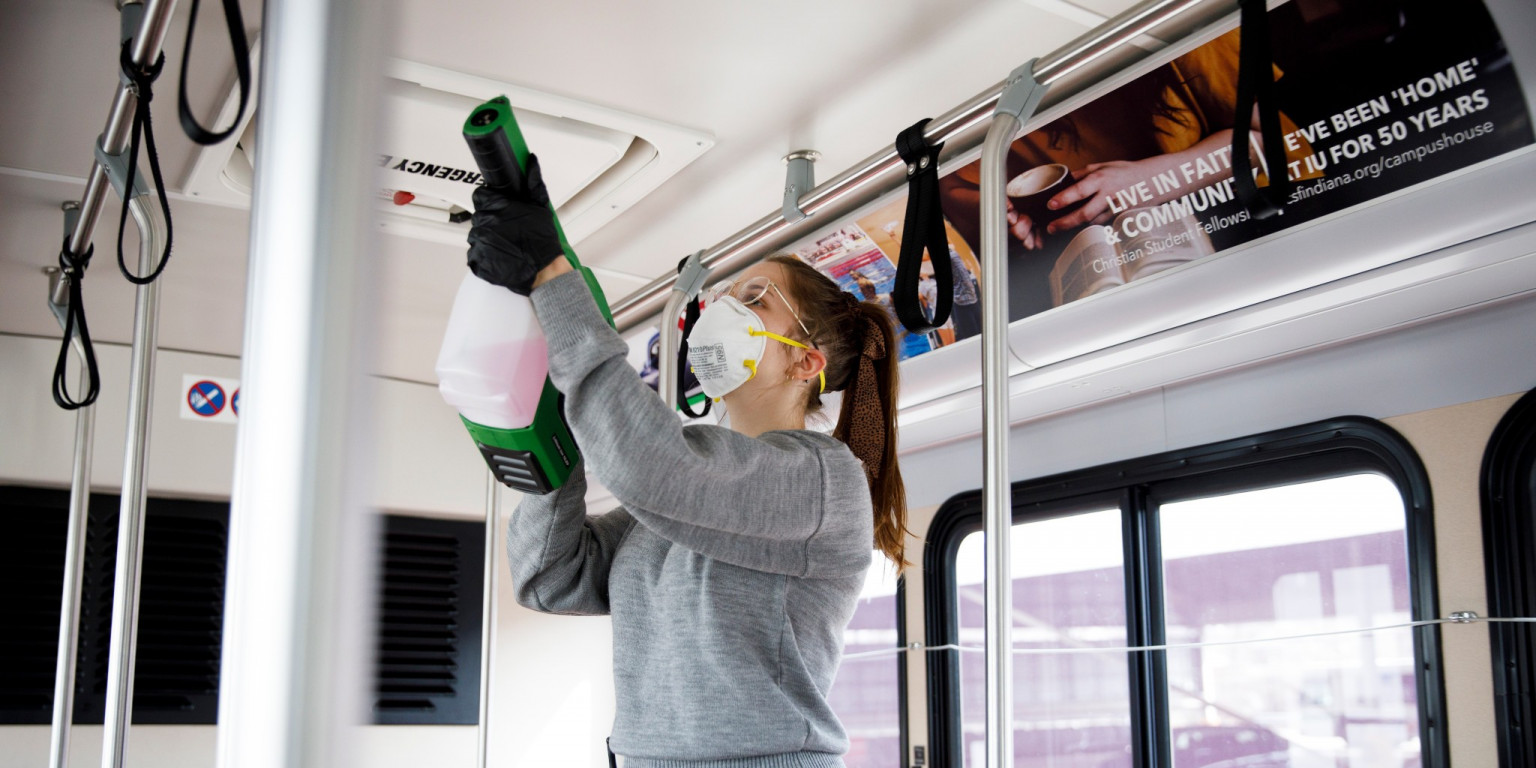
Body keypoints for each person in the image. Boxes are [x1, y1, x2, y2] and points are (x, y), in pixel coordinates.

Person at [465, 158, 909, 768]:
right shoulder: (687, 486)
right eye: (725, 297)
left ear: (805, 362)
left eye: (755, 299)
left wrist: (552, 278)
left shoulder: (824, 483)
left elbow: (654, 469)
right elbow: (552, 578)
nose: (724, 311)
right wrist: (551, 445)